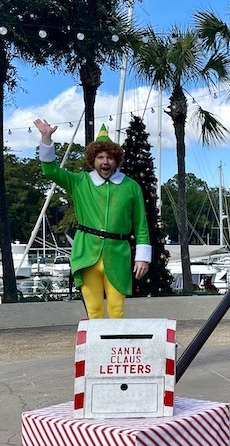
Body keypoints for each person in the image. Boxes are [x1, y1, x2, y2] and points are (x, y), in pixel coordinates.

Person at [34, 119, 151, 319]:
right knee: (94, 311)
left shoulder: (131, 186)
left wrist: (142, 257)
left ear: (116, 161)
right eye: (100, 157)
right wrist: (46, 138)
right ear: (92, 160)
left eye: (110, 158)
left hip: (118, 254)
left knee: (116, 310)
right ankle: (96, 351)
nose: (105, 162)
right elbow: (51, 170)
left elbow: (141, 224)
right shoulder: (79, 181)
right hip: (87, 253)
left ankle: (115, 348)